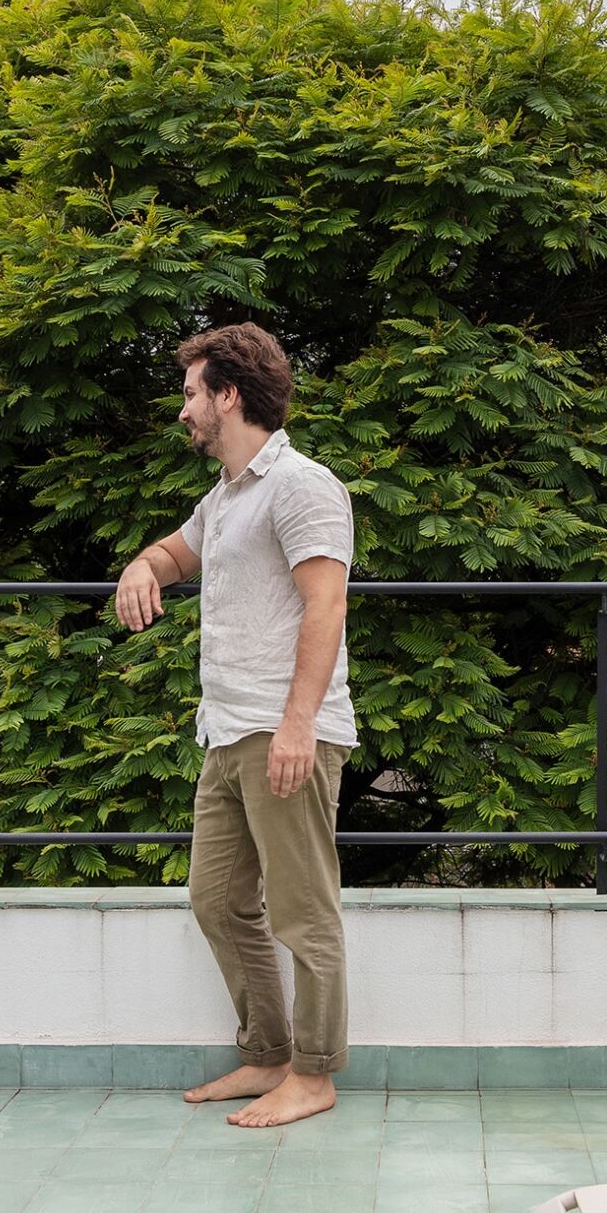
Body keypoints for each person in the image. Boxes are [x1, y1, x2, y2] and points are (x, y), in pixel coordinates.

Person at [114, 323, 358, 1128]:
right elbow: (172, 554)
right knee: (217, 899)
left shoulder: (300, 485)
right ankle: (268, 1054)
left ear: (227, 395)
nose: (182, 409)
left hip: (284, 731)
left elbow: (326, 605)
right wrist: (142, 566)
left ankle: (314, 1075)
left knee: (304, 912)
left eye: (191, 393)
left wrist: (298, 725)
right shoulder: (225, 498)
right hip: (224, 730)